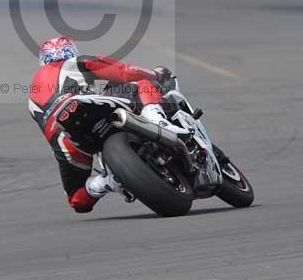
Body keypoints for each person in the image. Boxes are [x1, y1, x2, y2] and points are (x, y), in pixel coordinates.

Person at [28, 36, 188, 213]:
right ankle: (159, 121)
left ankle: (108, 182)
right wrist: (157, 74)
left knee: (77, 199)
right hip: (80, 106)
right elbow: (124, 72)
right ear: (71, 51)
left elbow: (47, 126)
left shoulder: (32, 94)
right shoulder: (76, 62)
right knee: (141, 84)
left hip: (65, 140)